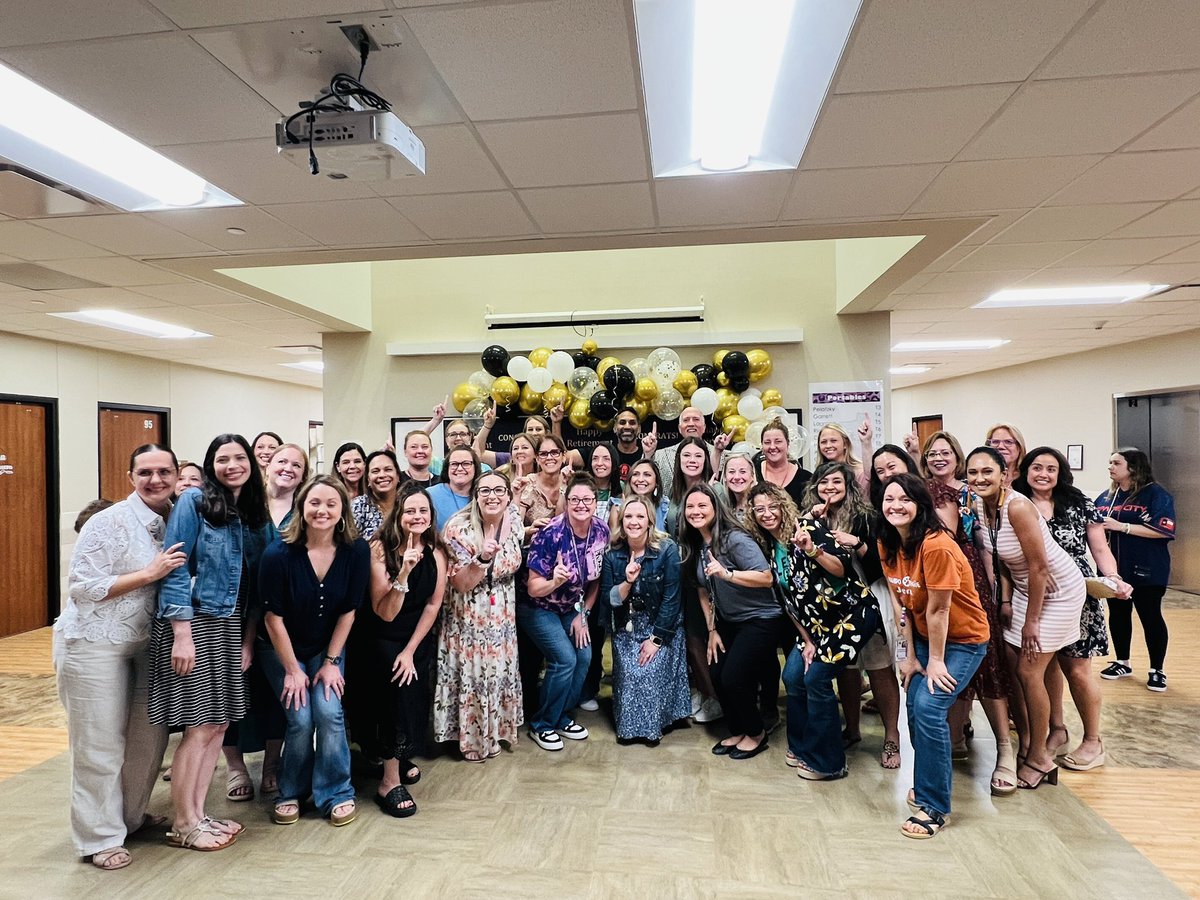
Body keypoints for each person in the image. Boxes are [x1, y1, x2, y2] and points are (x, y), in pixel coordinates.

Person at [57, 444, 185, 870]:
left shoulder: (178, 519)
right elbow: (82, 586)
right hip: (95, 642)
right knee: (100, 742)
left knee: (150, 738)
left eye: (164, 471)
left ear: (175, 474)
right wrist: (148, 574)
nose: (155, 480)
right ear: (130, 476)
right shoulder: (106, 521)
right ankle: (99, 837)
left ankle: (128, 818)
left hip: (149, 642)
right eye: (145, 472)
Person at [149, 434, 274, 852]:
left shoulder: (255, 514)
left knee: (219, 725)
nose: (232, 465)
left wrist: (249, 640)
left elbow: (259, 585)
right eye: (223, 459)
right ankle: (184, 822)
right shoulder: (194, 502)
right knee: (199, 727)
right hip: (196, 624)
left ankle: (199, 813)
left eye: (240, 458)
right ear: (210, 465)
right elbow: (175, 568)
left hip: (232, 627)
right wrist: (181, 634)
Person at [877, 473, 990, 839]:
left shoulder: (937, 545)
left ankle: (934, 806)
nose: (895, 505)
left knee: (929, 707)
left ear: (920, 504)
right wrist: (909, 656)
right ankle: (927, 784)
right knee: (914, 703)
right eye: (888, 498)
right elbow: (904, 605)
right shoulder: (888, 541)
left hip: (962, 640)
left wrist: (936, 661)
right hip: (924, 637)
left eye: (904, 499)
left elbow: (940, 611)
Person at [968, 446, 1085, 790]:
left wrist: (1031, 621)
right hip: (1024, 588)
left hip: (1058, 591)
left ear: (1004, 474)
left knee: (1028, 669)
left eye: (987, 472)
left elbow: (1039, 566)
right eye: (972, 473)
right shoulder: (980, 504)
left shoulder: (1018, 506)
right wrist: (1006, 600)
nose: (979, 479)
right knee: (1013, 659)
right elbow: (1004, 559)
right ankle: (1031, 741)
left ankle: (1039, 756)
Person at [746, 482, 879, 780]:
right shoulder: (767, 547)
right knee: (793, 675)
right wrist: (806, 640)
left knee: (817, 678)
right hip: (815, 626)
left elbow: (842, 569)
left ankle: (828, 762)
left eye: (772, 506)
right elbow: (789, 602)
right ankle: (803, 747)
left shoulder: (807, 527)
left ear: (783, 505)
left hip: (851, 615)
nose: (767, 514)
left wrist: (813, 550)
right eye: (760, 510)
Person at [260, 476, 367, 828]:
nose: (322, 510)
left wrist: (333, 662)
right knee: (301, 718)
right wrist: (292, 669)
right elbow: (272, 618)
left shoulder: (355, 550)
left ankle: (336, 791)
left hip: (327, 646)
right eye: (314, 503)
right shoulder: (278, 553)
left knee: (329, 712)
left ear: (342, 511)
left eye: (331, 504)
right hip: (282, 647)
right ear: (301, 507)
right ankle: (291, 789)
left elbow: (349, 611)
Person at [1014, 447, 1130, 770]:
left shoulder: (1078, 503)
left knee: (1077, 669)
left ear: (1060, 473)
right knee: (1046, 668)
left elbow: (1100, 547)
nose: (1043, 474)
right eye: (1036, 468)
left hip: (1078, 596)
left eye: (1051, 469)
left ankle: (1093, 741)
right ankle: (1057, 729)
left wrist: (1113, 578)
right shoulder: (1016, 502)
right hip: (1036, 596)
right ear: (1025, 471)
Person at [920, 431, 1015, 793]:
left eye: (945, 452)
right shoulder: (922, 490)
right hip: (935, 572)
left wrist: (996, 592)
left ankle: (1005, 749)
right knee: (949, 655)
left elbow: (988, 546)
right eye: (932, 453)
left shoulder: (972, 490)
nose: (939, 458)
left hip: (970, 573)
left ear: (956, 456)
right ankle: (956, 736)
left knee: (988, 662)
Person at [804, 461, 903, 771]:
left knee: (878, 667)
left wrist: (857, 544)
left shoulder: (866, 518)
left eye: (836, 482)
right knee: (846, 669)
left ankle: (891, 735)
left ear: (848, 487)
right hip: (832, 609)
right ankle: (853, 729)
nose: (829, 487)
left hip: (867, 602)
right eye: (823, 482)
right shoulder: (812, 518)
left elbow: (882, 564)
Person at [223, 442, 308, 802]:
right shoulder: (244, 506)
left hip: (281, 620)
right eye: (281, 461)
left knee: (277, 696)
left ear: (303, 476)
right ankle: (235, 767)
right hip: (233, 612)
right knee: (230, 694)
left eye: (296, 465)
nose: (287, 468)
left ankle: (272, 765)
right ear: (267, 464)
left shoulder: (305, 512)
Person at [679, 483, 780, 760]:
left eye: (702, 506)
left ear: (715, 508)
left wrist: (728, 574)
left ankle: (756, 733)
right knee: (716, 675)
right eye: (690, 506)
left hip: (760, 619)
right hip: (727, 621)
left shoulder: (734, 539)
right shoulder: (697, 544)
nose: (695, 511)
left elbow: (767, 577)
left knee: (734, 677)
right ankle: (738, 730)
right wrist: (712, 629)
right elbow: (702, 589)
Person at [362, 487, 446, 814]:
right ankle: (388, 782)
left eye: (423, 511)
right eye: (410, 511)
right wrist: (405, 572)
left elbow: (433, 603)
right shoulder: (379, 550)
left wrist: (411, 649)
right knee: (396, 689)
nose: (417, 517)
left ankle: (397, 755)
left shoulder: (437, 552)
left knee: (414, 691)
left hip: (413, 637)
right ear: (398, 514)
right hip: (381, 635)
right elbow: (385, 612)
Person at [433, 471, 524, 761]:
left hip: (502, 621)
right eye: (485, 490)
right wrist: (482, 559)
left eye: (499, 490)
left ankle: (496, 732)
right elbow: (459, 583)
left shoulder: (515, 521)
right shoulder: (459, 528)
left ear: (509, 496)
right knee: (473, 678)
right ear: (475, 495)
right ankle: (470, 740)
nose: (492, 496)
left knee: (497, 676)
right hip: (468, 620)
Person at [521, 475, 610, 751]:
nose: (581, 504)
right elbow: (534, 588)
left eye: (587, 499)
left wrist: (583, 614)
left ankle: (561, 716)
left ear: (596, 503)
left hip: (571, 606)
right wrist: (555, 581)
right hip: (538, 606)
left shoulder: (601, 531)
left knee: (584, 656)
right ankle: (542, 725)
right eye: (574, 499)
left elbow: (596, 578)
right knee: (564, 659)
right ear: (566, 502)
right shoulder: (551, 533)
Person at [599, 496, 689, 743]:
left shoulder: (667, 549)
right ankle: (631, 729)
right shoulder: (613, 555)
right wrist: (627, 581)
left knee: (648, 672)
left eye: (640, 516)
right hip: (627, 627)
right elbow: (611, 601)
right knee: (631, 676)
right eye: (629, 516)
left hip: (660, 624)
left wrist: (656, 639)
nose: (634, 522)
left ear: (650, 521)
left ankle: (655, 726)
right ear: (621, 521)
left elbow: (672, 598)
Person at [1095, 447, 1176, 693]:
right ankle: (1122, 662)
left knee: (1150, 617)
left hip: (1148, 569)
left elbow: (1163, 530)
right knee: (1118, 614)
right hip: (1116, 570)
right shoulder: (1107, 497)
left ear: (1132, 467)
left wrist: (1123, 527)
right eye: (1109, 462)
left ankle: (1157, 670)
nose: (1110, 467)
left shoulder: (1156, 495)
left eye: (1116, 463)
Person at [664, 438, 722, 723]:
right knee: (686, 635)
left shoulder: (716, 488)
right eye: (685, 454)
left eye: (698, 455)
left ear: (706, 459)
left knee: (703, 632)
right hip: (678, 571)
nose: (691, 459)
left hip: (708, 570)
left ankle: (714, 694)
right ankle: (699, 689)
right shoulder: (672, 493)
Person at [643, 406, 730, 499]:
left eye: (696, 419)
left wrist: (717, 453)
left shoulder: (724, 455)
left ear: (704, 427)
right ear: (680, 428)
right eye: (686, 420)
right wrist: (648, 454)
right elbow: (644, 481)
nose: (691, 424)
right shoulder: (661, 455)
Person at [517, 435, 567, 544]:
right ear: (537, 458)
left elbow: (560, 524)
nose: (549, 458)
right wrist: (529, 530)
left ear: (563, 456)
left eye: (554, 452)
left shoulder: (571, 482)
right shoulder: (528, 484)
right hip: (534, 550)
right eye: (543, 454)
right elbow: (515, 529)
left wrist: (564, 487)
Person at [757, 419, 813, 508]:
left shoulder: (806, 478)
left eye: (778, 441)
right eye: (767, 442)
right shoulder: (753, 473)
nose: (772, 446)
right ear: (762, 446)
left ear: (787, 443)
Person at [352, 449, 401, 540]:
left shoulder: (406, 503)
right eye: (375, 471)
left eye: (388, 469)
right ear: (368, 480)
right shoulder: (359, 506)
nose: (382, 475)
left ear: (398, 476)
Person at [428, 447, 479, 531]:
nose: (459, 468)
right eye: (454, 464)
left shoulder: (484, 495)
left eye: (466, 464)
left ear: (475, 467)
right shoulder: (430, 495)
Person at [611, 459, 669, 533]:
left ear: (656, 482)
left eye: (647, 475)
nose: (640, 479)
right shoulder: (618, 506)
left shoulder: (664, 506)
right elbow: (615, 540)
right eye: (635, 474)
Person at [868, 444, 918, 509]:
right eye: (880, 471)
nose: (887, 474)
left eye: (891, 466)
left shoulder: (925, 489)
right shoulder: (878, 501)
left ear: (906, 462)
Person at [720, 451, 757, 522]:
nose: (737, 477)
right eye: (731, 472)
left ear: (752, 476)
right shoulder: (725, 509)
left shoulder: (759, 507)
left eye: (742, 472)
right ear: (725, 477)